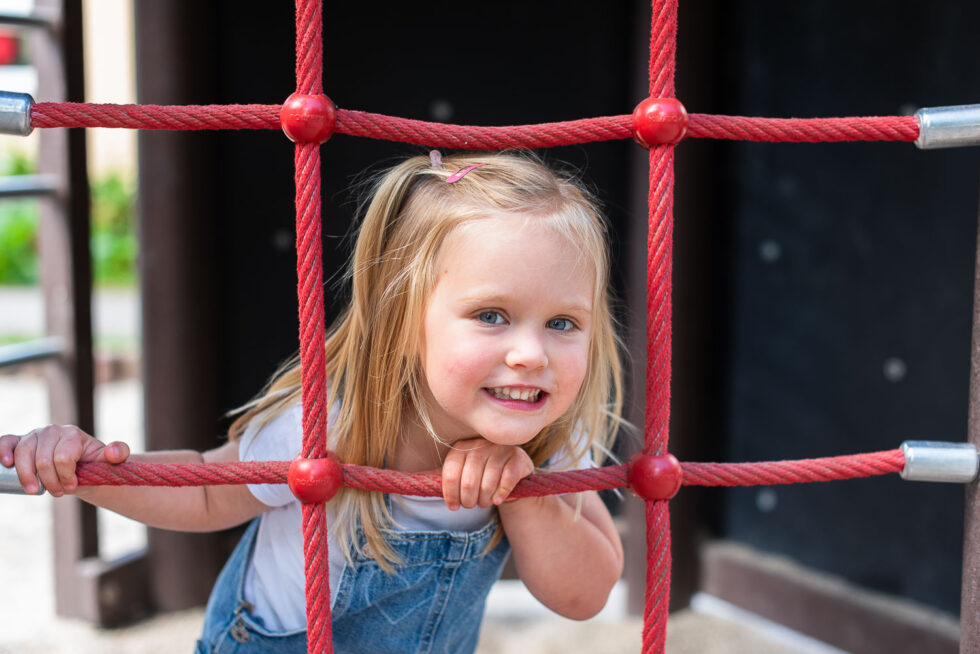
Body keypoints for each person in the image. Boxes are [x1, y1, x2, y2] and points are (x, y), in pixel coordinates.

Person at [0, 151, 625, 653]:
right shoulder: (329, 420)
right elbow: (209, 489)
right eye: (492, 316)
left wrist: (526, 498)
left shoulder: (547, 434)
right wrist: (84, 472)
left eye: (564, 323)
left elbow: (585, 594)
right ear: (403, 321)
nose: (531, 355)